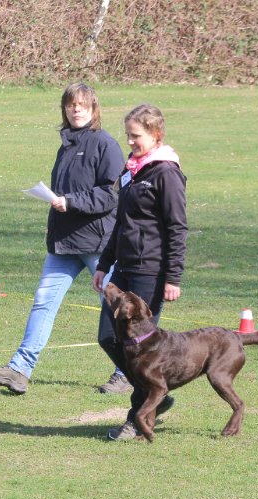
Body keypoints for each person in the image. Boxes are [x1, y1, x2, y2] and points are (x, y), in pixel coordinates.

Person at [0, 83, 132, 395]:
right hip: (64, 243)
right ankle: (19, 370)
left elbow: (110, 195)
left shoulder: (105, 144)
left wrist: (71, 202)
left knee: (116, 308)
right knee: (43, 303)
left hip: (98, 244)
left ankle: (127, 372)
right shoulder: (66, 145)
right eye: (71, 104)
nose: (76, 109)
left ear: (93, 109)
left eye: (82, 105)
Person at [92, 104, 188, 440]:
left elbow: (177, 228)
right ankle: (156, 394)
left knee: (140, 350)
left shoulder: (166, 173)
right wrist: (104, 265)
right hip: (124, 268)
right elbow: (120, 223)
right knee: (108, 337)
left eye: (136, 136)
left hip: (151, 272)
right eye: (128, 135)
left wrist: (173, 277)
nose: (130, 141)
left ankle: (137, 420)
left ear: (155, 134)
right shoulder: (131, 171)